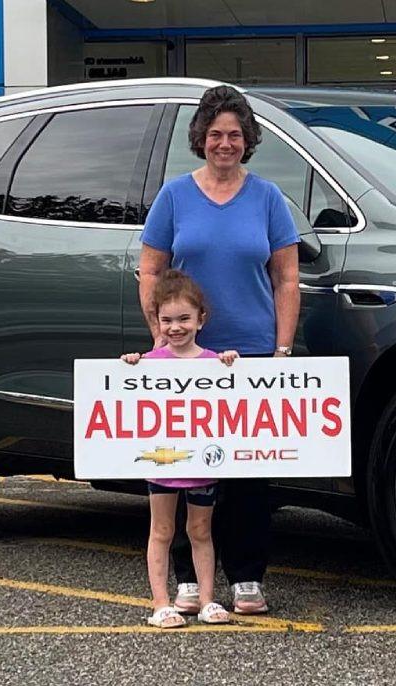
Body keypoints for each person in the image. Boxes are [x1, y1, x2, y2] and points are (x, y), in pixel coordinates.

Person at [138, 85, 300, 616]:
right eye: (215, 134)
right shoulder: (174, 197)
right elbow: (150, 270)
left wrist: (281, 348)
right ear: (200, 139)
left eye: (234, 134)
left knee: (249, 474)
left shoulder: (268, 198)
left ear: (247, 139)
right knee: (182, 468)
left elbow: (286, 278)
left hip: (251, 355)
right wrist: (161, 336)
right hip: (187, 359)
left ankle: (247, 578)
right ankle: (187, 580)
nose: (225, 143)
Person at [121, 270, 239, 629]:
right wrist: (131, 365)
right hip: (161, 464)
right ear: (156, 320)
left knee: (201, 531)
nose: (175, 327)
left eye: (184, 319)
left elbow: (234, 402)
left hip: (202, 466)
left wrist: (230, 365)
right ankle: (160, 604)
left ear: (201, 319)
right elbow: (126, 397)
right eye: (167, 320)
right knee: (162, 531)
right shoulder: (149, 364)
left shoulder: (214, 363)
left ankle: (206, 600)